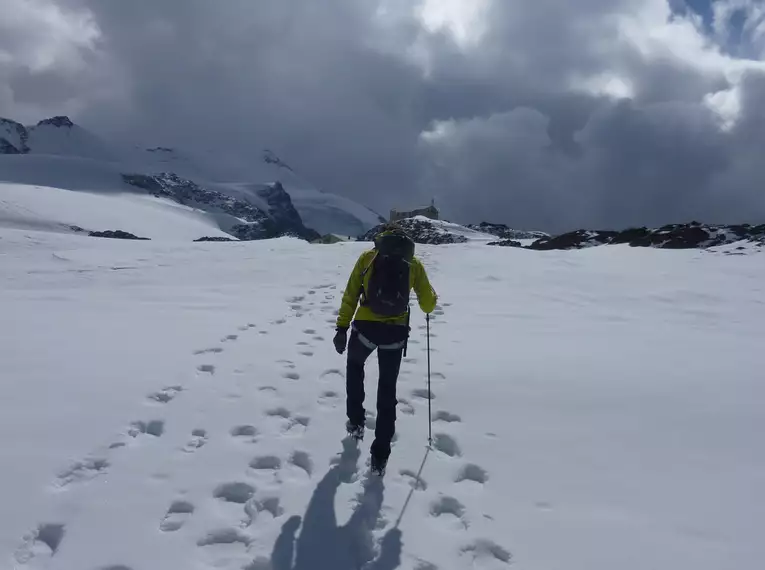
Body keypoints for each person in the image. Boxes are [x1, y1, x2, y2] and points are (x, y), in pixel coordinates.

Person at [333, 225, 437, 475]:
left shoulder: (368, 258)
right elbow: (428, 305)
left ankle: (356, 422)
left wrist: (342, 328)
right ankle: (380, 454)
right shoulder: (413, 264)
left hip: (365, 329)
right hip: (395, 333)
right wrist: (432, 297)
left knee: (355, 368)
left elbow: (350, 294)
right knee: (387, 390)